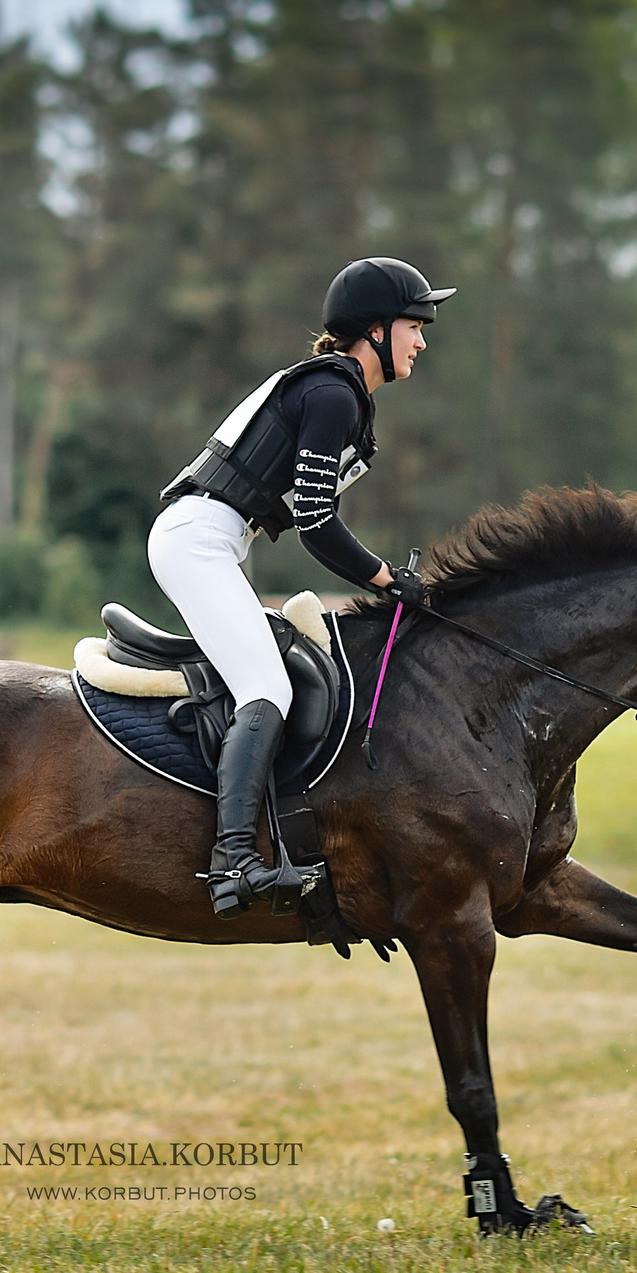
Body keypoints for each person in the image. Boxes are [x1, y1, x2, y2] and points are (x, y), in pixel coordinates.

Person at [151, 256, 451, 917]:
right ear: (375, 329)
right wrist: (385, 578)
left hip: (214, 539)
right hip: (199, 539)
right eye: (414, 325)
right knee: (268, 685)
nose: (422, 340)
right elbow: (316, 522)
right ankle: (232, 858)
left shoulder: (339, 393)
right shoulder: (333, 393)